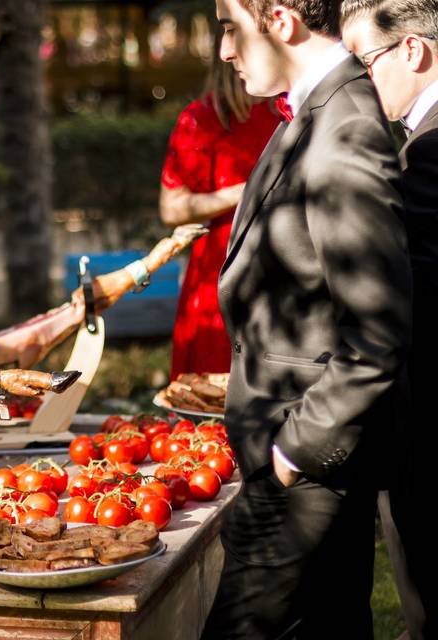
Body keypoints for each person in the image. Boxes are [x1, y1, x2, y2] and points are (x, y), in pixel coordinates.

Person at [202, 1, 413, 638]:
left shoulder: (343, 123)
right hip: (295, 462)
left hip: (306, 472)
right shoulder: (320, 109)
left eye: (230, 29)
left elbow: (376, 330)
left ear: (281, 19)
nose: (224, 51)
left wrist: (294, 452)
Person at [341, 3, 438, 638]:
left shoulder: (430, 151)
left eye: (363, 62)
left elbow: (413, 298)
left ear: (412, 51)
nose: (357, 81)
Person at [160, 36, 281, 380]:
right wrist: (248, 191)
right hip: (220, 277)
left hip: (281, 274)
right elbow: (172, 209)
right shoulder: (202, 118)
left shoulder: (292, 109)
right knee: (210, 405)